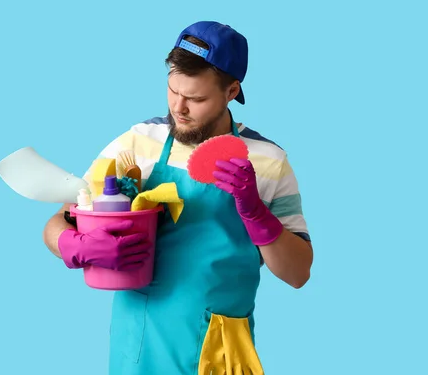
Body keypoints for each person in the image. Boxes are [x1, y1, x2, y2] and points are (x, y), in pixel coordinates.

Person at [42, 21, 313, 375]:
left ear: (231, 92)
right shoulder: (137, 143)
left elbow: (298, 273)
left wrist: (257, 215)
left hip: (216, 349)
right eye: (173, 91)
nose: (179, 108)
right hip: (137, 346)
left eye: (197, 99)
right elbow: (61, 219)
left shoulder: (267, 161)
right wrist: (72, 244)